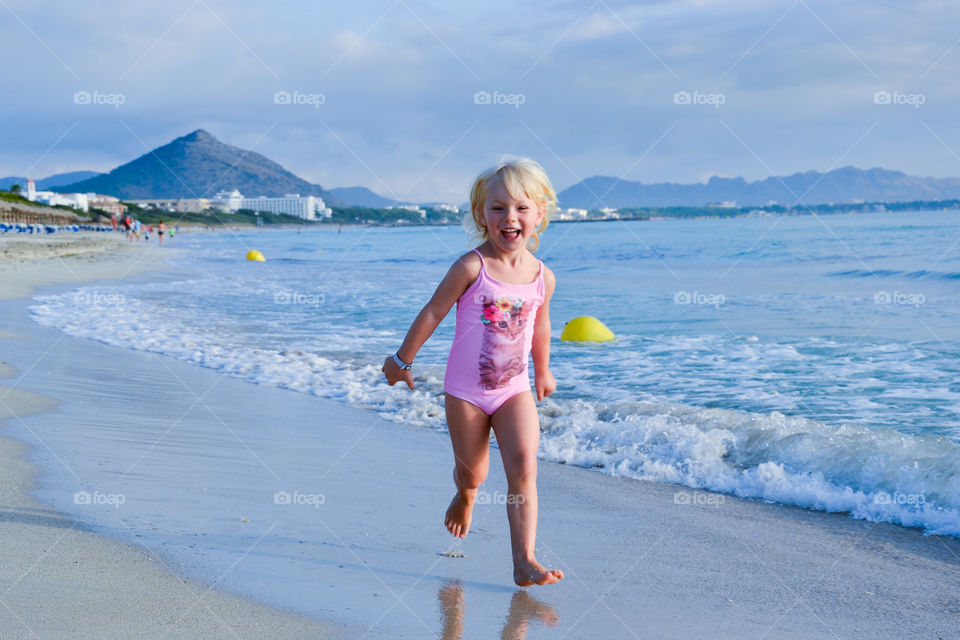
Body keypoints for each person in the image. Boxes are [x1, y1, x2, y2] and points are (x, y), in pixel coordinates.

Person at [382, 157, 564, 587]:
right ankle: (465, 495)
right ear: (482, 216)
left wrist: (543, 371)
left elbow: (540, 325)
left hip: (513, 389)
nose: (509, 217)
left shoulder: (543, 277)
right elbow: (433, 312)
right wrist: (402, 360)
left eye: (521, 207)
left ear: (539, 214)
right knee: (474, 472)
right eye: (497, 207)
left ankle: (524, 559)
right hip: (465, 392)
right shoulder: (471, 267)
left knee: (523, 464)